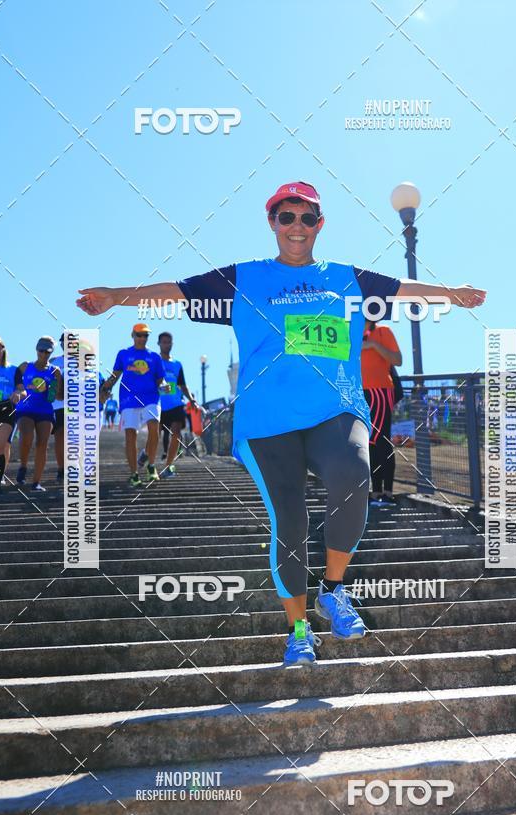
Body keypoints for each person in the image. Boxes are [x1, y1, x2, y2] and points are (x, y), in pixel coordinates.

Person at [76, 180, 486, 665]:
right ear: (272, 222)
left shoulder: (347, 278)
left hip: (336, 407)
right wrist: (115, 296)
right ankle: (297, 629)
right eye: (286, 216)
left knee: (354, 475)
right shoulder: (243, 280)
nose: (297, 226)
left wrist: (452, 295)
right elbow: (176, 291)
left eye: (307, 217)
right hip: (268, 417)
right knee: (289, 519)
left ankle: (332, 590)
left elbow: (404, 289)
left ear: (320, 224)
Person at [99, 323, 168, 487]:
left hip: (151, 397)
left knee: (154, 428)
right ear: (133, 335)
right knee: (131, 435)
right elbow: (115, 375)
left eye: (146, 335)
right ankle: (134, 474)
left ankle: (151, 466)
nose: (142, 338)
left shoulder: (154, 357)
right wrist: (105, 388)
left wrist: (165, 386)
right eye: (139, 335)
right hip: (128, 399)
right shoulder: (124, 354)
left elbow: (161, 379)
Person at [361, 320, 402, 504]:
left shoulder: (383, 331)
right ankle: (376, 492)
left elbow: (398, 360)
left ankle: (388, 493)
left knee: (381, 441)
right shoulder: (348, 331)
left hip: (379, 391)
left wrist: (374, 345)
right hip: (357, 392)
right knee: (368, 443)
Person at [14, 336, 62, 491]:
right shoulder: (25, 366)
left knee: (42, 444)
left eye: (47, 351)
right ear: (37, 350)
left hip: (44, 409)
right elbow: (15, 377)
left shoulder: (54, 371)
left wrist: (50, 389)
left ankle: (36, 482)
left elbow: (52, 396)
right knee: (27, 435)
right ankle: (23, 466)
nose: (44, 354)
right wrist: (20, 388)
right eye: (41, 351)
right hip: (25, 408)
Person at [157, 332, 197, 477]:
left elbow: (182, 385)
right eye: (164, 342)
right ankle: (145, 455)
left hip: (176, 404)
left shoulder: (177, 364)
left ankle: (169, 466)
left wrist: (191, 399)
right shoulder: (155, 361)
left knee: (176, 432)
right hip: (159, 405)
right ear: (159, 344)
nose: (166, 344)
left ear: (172, 344)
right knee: (155, 436)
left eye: (169, 342)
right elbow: (148, 383)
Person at [0, 335, 18, 496]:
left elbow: (21, 388)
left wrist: (18, 393)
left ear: (3, 349)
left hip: (5, 410)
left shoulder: (13, 369)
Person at [50, 334, 65, 482]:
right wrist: (57, 391)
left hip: (77, 404)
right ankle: (61, 468)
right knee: (60, 435)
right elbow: (47, 380)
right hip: (58, 405)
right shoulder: (54, 361)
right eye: (64, 342)